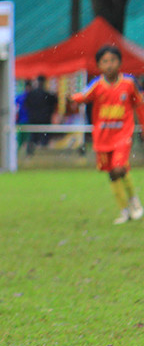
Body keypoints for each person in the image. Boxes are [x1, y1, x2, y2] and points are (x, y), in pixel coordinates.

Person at [69, 45, 144, 224]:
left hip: (122, 135)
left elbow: (139, 104)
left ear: (119, 62)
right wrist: (72, 98)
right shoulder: (97, 85)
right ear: (99, 65)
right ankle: (124, 210)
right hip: (103, 137)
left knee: (118, 167)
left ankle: (134, 201)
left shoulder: (128, 84)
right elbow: (84, 96)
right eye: (105, 61)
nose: (109, 65)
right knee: (112, 173)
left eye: (112, 60)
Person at [25, 74, 57, 153]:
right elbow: (54, 102)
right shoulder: (47, 94)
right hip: (44, 118)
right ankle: (43, 152)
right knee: (44, 137)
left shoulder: (31, 94)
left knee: (33, 137)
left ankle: (30, 153)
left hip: (34, 118)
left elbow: (27, 104)